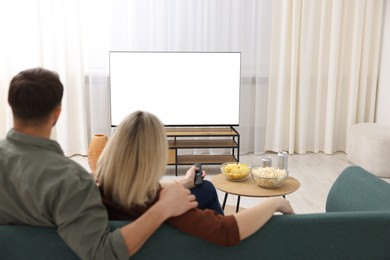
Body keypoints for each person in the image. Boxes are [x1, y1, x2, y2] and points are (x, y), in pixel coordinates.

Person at [0, 67, 199, 259]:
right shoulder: (70, 181)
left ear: (10, 104)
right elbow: (102, 253)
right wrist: (163, 207)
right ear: (57, 112)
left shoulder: (72, 180)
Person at [96, 111, 295, 246]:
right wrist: (274, 203)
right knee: (212, 203)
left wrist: (183, 183)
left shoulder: (98, 188)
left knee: (205, 188)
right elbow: (225, 231)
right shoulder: (164, 205)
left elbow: (142, 188)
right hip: (191, 246)